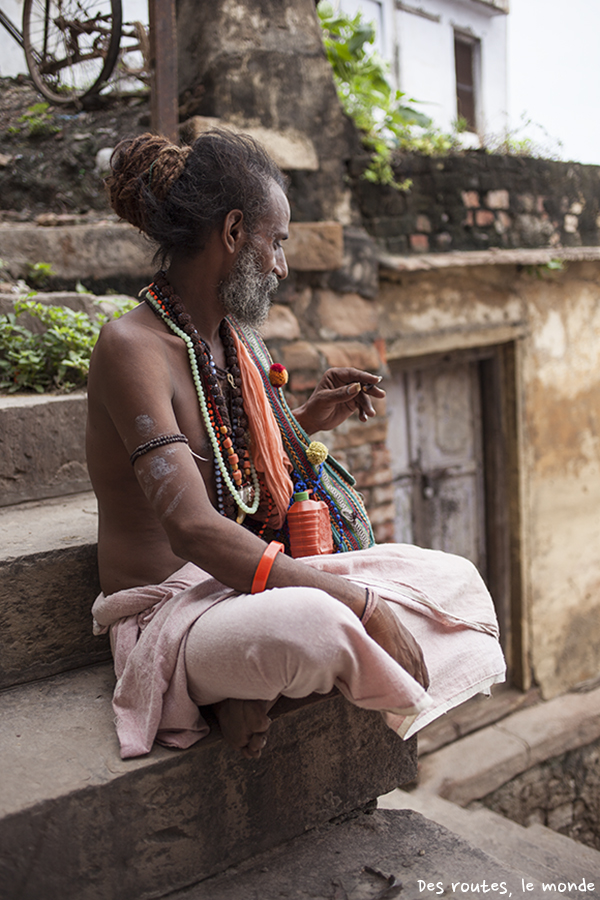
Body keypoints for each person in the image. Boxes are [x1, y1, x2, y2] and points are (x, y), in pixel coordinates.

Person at [88, 130, 505, 761]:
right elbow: (193, 530)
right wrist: (361, 601)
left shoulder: (238, 344)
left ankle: (248, 683)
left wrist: (304, 419)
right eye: (276, 242)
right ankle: (226, 683)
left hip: (237, 592)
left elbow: (240, 469)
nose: (282, 266)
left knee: (456, 580)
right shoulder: (131, 347)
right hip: (169, 615)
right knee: (321, 624)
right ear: (233, 233)